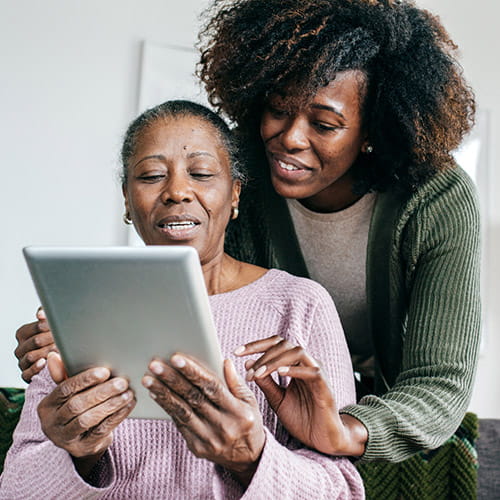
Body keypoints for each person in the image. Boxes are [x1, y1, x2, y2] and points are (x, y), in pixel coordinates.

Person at [1, 100, 364, 499]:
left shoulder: (300, 304)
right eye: (152, 175)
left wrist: (249, 457)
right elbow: (17, 489)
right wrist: (75, 454)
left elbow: (342, 491)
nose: (176, 191)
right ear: (127, 199)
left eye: (202, 173)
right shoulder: (78, 304)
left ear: (235, 193)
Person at [194, 0, 481, 462]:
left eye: (324, 125)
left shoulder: (436, 199)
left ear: (371, 131)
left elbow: (439, 381)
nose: (290, 137)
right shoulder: (240, 182)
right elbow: (205, 316)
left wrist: (347, 431)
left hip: (375, 416)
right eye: (278, 110)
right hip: (268, 417)